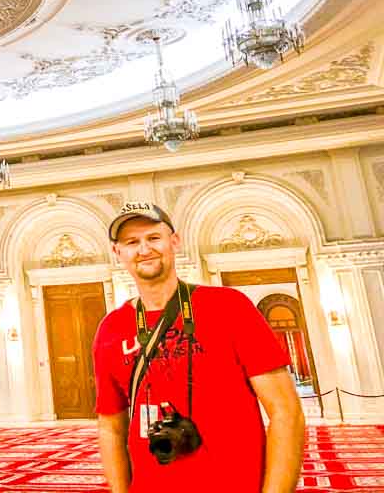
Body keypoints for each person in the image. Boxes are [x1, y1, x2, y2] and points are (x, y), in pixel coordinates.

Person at [92, 202, 305, 493]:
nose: (144, 249)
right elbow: (111, 427)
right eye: (131, 242)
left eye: (154, 237)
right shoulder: (111, 329)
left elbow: (285, 412)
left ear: (174, 241)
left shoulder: (229, 307)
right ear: (118, 253)